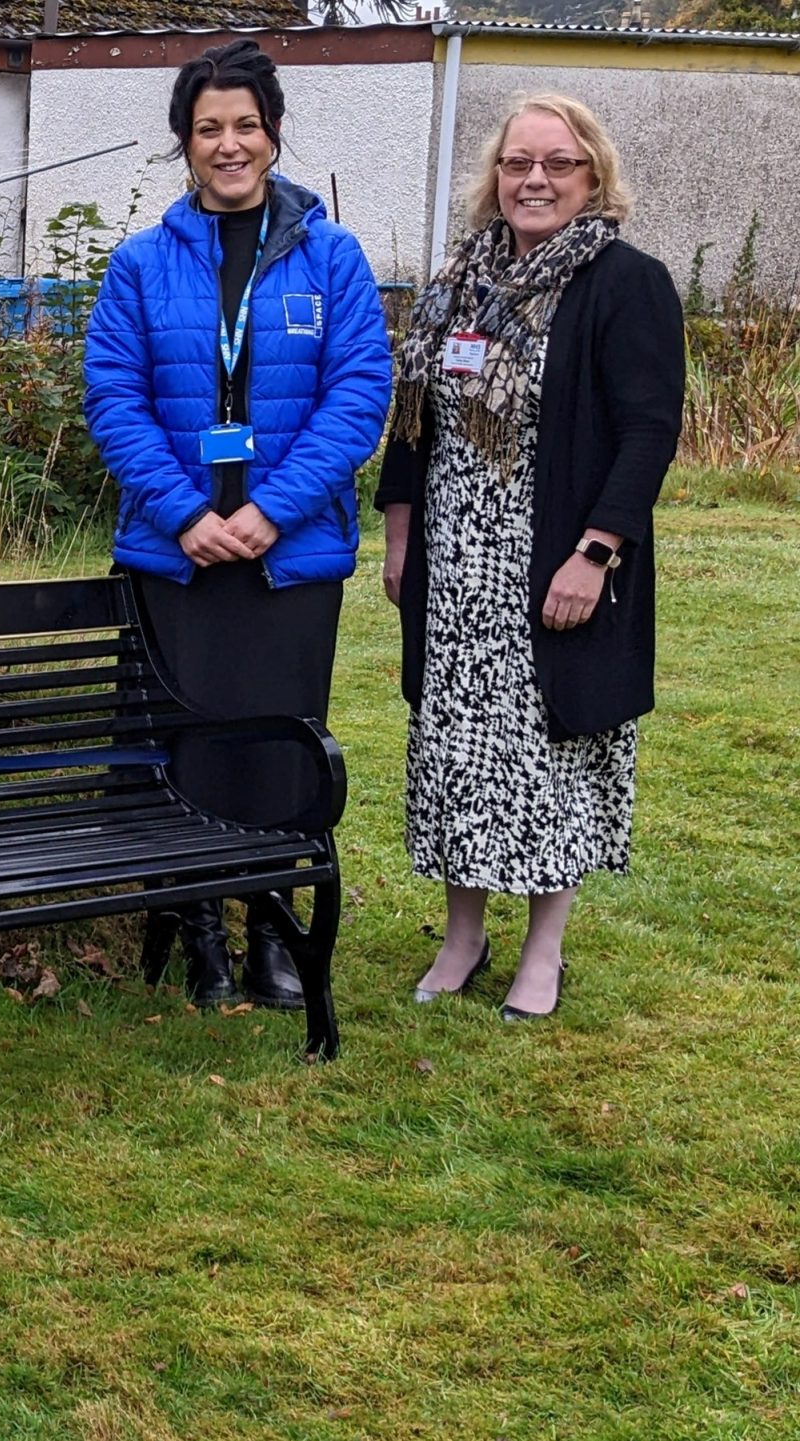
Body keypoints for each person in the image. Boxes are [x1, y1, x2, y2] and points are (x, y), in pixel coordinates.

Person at [83, 38, 392, 1009]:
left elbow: (358, 395)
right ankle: (201, 935)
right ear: (185, 141)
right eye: (208, 127)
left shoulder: (333, 258)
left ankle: (269, 930)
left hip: (285, 560)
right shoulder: (140, 265)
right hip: (176, 561)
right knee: (190, 745)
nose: (229, 144)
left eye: (246, 125)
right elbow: (113, 400)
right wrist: (185, 514)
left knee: (276, 747)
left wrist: (269, 512)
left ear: (274, 133)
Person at [376, 94, 682, 1022]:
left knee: (553, 753)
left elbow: (647, 431)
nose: (534, 180)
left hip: (555, 561)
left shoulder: (626, 282)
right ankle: (462, 936)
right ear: (495, 175)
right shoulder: (460, 281)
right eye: (517, 163)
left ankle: (543, 950)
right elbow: (414, 418)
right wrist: (400, 536)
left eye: (558, 163)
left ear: (594, 177)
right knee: (456, 749)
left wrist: (596, 552)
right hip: (456, 565)